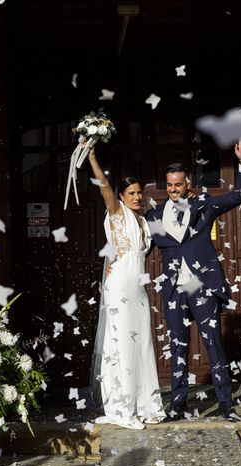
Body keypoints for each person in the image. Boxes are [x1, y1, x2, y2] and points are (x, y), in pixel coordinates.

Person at [145, 139, 241, 422]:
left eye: (178, 185)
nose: (173, 190)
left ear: (187, 183)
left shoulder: (204, 205)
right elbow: (139, 246)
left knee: (213, 344)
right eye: (169, 185)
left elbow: (238, 195)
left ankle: (227, 406)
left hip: (200, 285)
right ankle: (177, 407)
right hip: (173, 289)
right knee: (177, 347)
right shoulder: (154, 216)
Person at [87, 145, 166, 430]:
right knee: (122, 346)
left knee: (142, 343)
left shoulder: (144, 221)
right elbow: (104, 186)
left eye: (138, 193)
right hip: (120, 284)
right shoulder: (116, 211)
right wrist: (93, 159)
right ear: (121, 196)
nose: (136, 197)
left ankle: (147, 404)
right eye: (130, 193)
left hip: (139, 288)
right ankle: (123, 408)